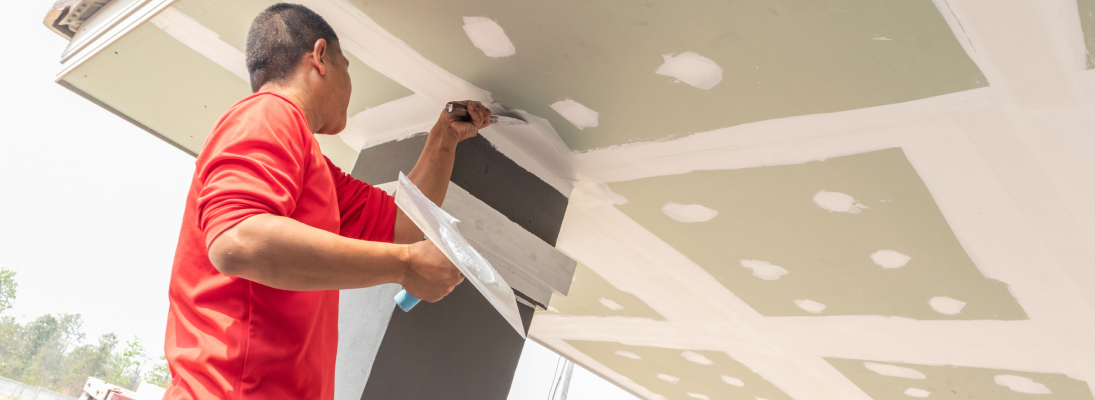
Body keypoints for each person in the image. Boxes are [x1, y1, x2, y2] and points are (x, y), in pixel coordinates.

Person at [162, 4, 491, 399]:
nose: (350, 82)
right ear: (320, 57)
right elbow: (237, 240)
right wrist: (405, 266)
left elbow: (403, 225)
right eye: (346, 65)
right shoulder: (268, 113)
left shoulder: (313, 165)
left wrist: (444, 137)